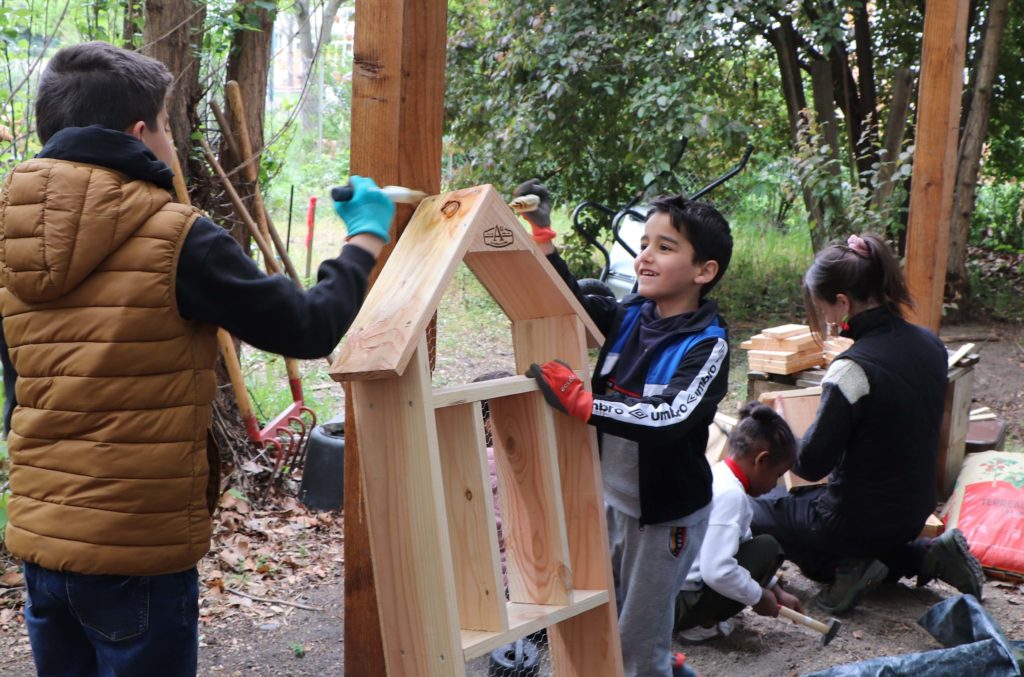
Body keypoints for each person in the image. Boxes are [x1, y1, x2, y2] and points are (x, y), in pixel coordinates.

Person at [0, 42, 393, 677]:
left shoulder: (7, 237)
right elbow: (308, 326)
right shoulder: (176, 235)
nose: (172, 144)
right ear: (139, 134)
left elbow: (19, 392)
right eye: (166, 128)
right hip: (137, 557)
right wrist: (365, 239)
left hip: (44, 549)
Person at [517, 179, 732, 677]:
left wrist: (583, 403)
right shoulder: (632, 313)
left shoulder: (708, 346)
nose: (645, 258)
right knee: (599, 622)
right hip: (608, 502)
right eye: (643, 245)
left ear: (705, 271)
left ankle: (660, 668)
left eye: (664, 247)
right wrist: (544, 235)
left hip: (663, 522)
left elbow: (669, 418)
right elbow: (566, 304)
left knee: (637, 643)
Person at [750, 233, 985, 615]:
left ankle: (850, 569)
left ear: (842, 303)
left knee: (759, 511)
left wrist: (775, 431)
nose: (825, 317)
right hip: (913, 512)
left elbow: (811, 464)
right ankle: (927, 555)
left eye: (824, 307)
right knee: (853, 526)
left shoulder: (852, 369)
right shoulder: (931, 345)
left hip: (852, 521)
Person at [675, 402, 802, 642]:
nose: (776, 485)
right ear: (761, 460)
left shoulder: (721, 475)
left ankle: (699, 617)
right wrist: (758, 596)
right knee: (767, 548)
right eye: (777, 475)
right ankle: (698, 625)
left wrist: (775, 589)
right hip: (679, 604)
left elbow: (742, 544)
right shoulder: (730, 496)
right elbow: (717, 571)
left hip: (674, 593)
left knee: (759, 546)